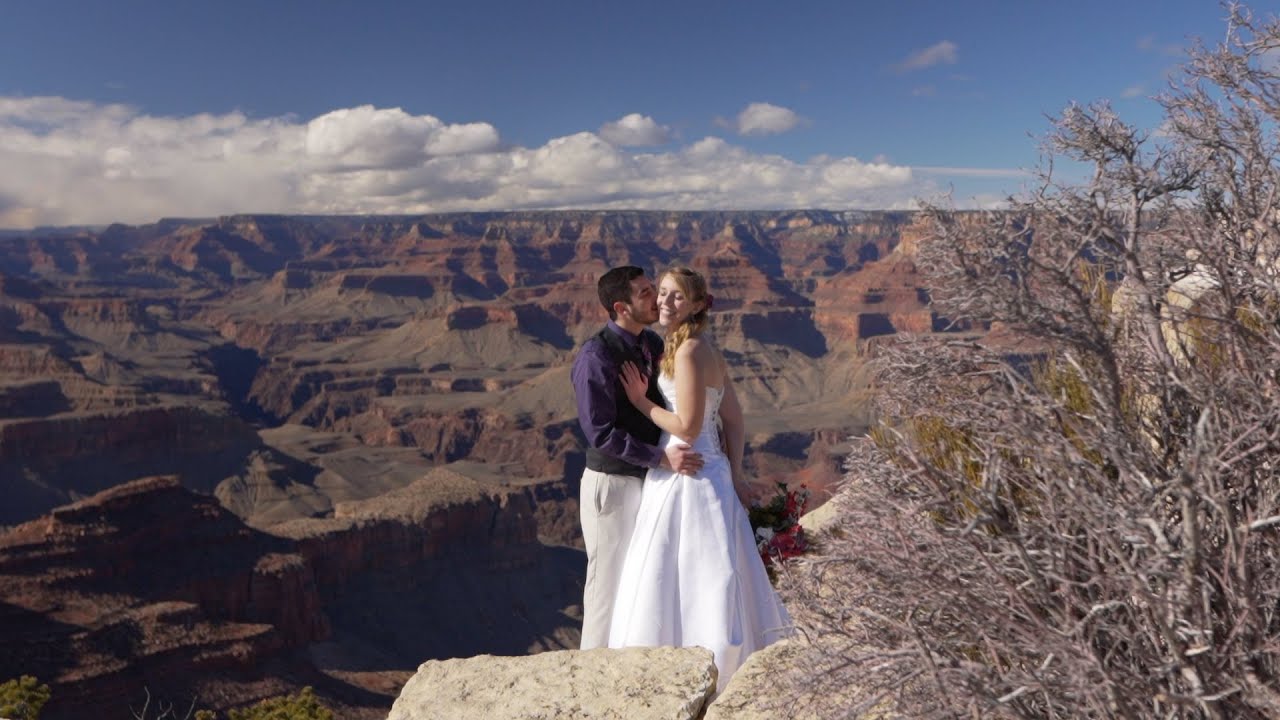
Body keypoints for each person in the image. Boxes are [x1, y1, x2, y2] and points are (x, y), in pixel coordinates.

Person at [607, 265, 791, 690]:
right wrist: (735, 470)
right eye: (663, 293)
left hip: (686, 473)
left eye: (676, 296)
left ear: (694, 306)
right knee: (714, 572)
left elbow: (688, 427)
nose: (665, 302)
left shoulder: (688, 352)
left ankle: (688, 674)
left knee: (684, 575)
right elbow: (735, 418)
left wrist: (640, 402)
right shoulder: (699, 346)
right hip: (713, 473)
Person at [571, 265, 704, 650]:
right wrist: (661, 458)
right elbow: (600, 433)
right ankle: (590, 673)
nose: (657, 298)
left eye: (655, 289)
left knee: (637, 582)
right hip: (610, 486)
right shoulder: (596, 357)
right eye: (646, 292)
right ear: (621, 306)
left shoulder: (650, 343)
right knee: (606, 586)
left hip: (646, 481)